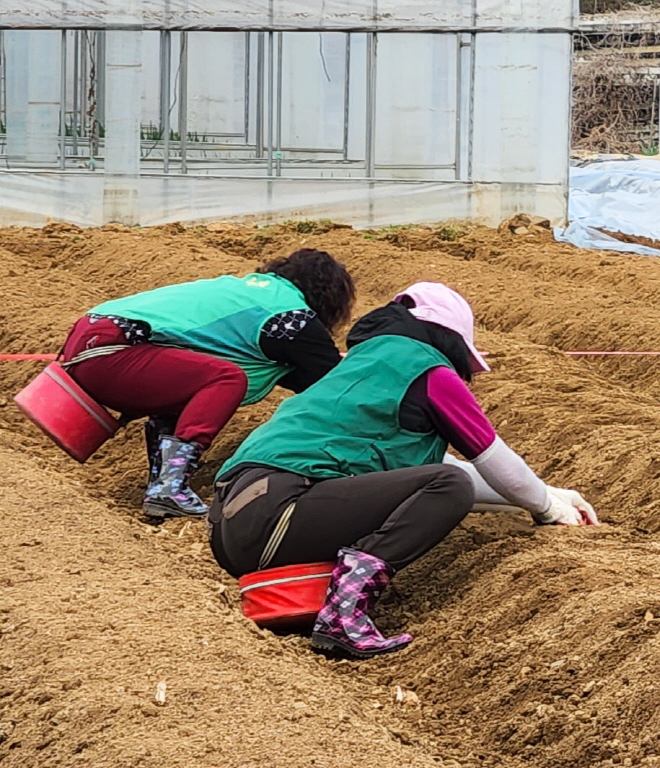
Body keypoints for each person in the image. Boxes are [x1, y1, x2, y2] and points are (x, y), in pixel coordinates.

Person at [210, 282, 597, 660]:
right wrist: (547, 508)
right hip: (280, 510)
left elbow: (428, 475)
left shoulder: (361, 367)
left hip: (233, 526)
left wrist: (548, 493)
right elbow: (490, 463)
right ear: (451, 340)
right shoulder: (428, 371)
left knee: (446, 481)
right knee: (449, 486)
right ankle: (344, 609)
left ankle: (320, 596)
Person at [59, 250, 356, 521]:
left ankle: (163, 483)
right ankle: (169, 486)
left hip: (88, 340)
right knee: (226, 378)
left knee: (192, 386)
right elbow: (333, 381)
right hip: (111, 350)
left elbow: (301, 375)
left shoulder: (253, 293)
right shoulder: (291, 317)